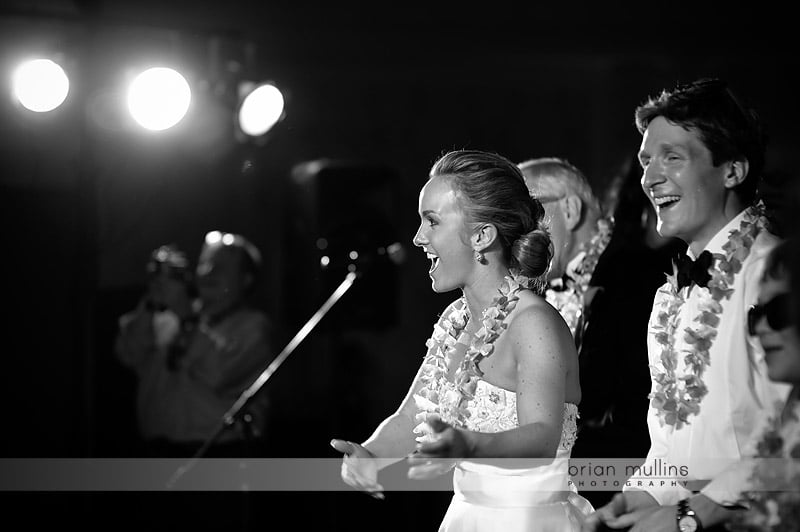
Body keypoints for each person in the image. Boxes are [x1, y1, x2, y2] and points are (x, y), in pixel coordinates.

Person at [330, 149, 594, 531]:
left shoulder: (534, 322)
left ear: (482, 235)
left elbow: (541, 438)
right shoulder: (456, 320)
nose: (418, 238)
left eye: (432, 222)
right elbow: (410, 418)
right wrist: (370, 454)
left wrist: (468, 444)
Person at [582, 78, 792, 531]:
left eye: (672, 157)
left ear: (732, 170)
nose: (649, 178)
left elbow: (792, 445)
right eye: (645, 161)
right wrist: (631, 500)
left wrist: (689, 517)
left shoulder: (775, 275)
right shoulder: (670, 293)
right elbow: (674, 447)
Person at [519, 157, 678, 508]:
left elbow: (634, 398)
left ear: (571, 210)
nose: (516, 232)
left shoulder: (631, 273)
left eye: (526, 213)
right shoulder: (535, 292)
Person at [114, 231, 274, 458]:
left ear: (246, 279)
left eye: (222, 267)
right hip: (157, 451)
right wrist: (153, 300)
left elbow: (218, 373)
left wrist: (186, 316)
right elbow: (128, 353)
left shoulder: (254, 327)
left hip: (219, 456)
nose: (210, 272)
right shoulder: (175, 313)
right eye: (206, 263)